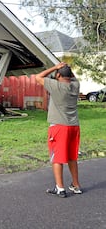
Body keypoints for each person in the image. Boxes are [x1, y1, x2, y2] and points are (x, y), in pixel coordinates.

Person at [35, 62, 83, 198]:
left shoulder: (56, 85)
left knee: (57, 157)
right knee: (72, 157)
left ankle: (60, 188)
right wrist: (66, 70)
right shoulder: (75, 85)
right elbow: (71, 77)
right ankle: (76, 185)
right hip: (74, 126)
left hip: (59, 127)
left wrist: (56, 67)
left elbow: (38, 77)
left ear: (58, 75)